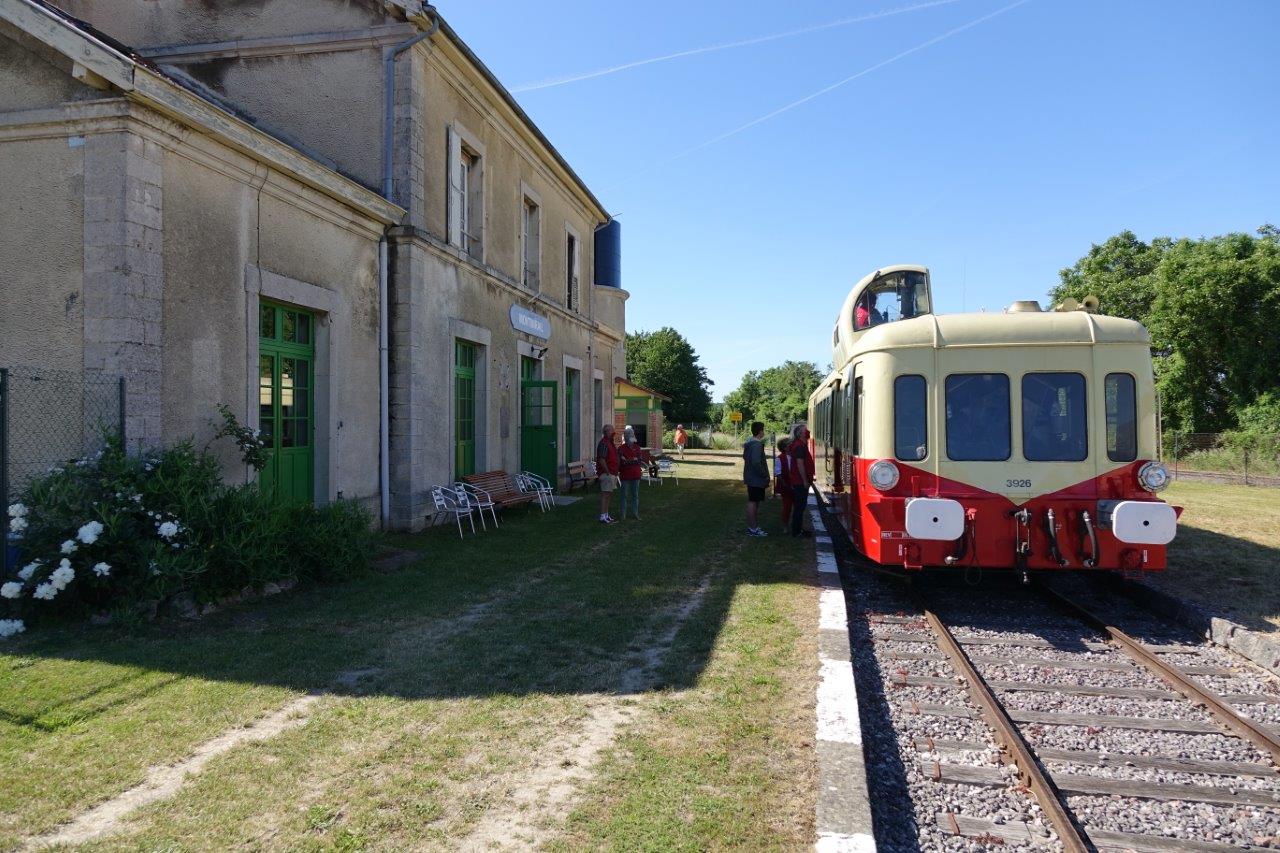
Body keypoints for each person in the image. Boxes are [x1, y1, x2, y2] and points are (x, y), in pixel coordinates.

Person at [742, 421, 770, 537]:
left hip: (751, 477)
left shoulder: (750, 443)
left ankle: (752, 527)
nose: (764, 432)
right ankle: (753, 529)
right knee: (753, 502)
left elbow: (745, 457)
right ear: (760, 431)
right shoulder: (757, 445)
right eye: (763, 429)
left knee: (753, 501)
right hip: (756, 479)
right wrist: (764, 475)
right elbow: (756, 462)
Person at [789, 423, 813, 538]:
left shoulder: (800, 444)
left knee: (801, 506)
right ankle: (796, 532)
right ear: (801, 434)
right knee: (799, 507)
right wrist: (805, 481)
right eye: (806, 430)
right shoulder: (799, 446)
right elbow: (800, 464)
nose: (808, 432)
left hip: (799, 480)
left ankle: (799, 530)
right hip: (799, 481)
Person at [618, 427, 645, 520]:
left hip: (636, 475)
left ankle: (635, 513)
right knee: (623, 496)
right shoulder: (621, 448)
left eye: (632, 435)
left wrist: (628, 460)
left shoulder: (637, 448)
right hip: (625, 475)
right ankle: (623, 515)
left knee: (635, 495)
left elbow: (639, 461)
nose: (631, 437)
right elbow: (621, 462)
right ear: (625, 437)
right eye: (628, 435)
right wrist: (632, 459)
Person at [595, 424, 619, 524]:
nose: (613, 434)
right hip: (607, 474)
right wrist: (607, 472)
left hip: (612, 473)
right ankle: (602, 516)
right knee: (605, 495)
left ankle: (606, 514)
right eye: (612, 432)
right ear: (607, 432)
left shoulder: (610, 443)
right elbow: (601, 459)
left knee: (608, 494)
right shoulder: (604, 443)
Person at [776, 436, 794, 525]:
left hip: (796, 484)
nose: (791, 446)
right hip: (786, 485)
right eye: (789, 445)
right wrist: (784, 484)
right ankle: (785, 525)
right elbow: (778, 473)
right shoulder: (780, 458)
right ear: (784, 447)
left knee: (798, 507)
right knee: (787, 506)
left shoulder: (795, 456)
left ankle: (796, 525)